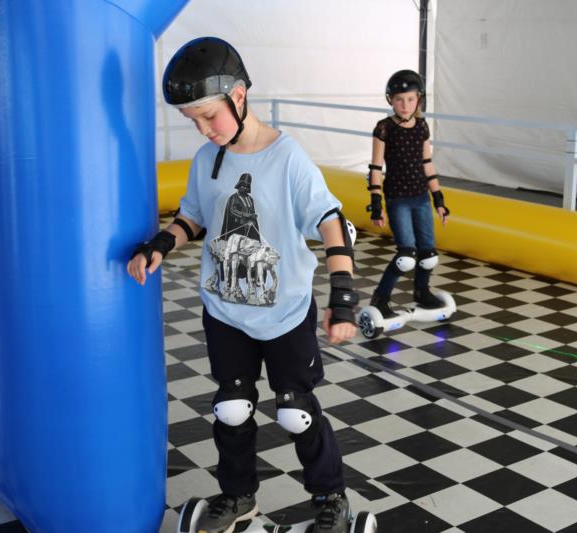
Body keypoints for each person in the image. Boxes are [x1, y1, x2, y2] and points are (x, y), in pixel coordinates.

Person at [127, 37, 358, 533]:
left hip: (285, 311)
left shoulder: (288, 158)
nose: (203, 129)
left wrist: (342, 297)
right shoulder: (206, 161)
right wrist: (159, 246)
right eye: (192, 121)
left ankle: (332, 498)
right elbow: (192, 217)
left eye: (208, 116)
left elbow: (330, 219)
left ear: (238, 95)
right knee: (231, 407)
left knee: (295, 412)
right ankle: (238, 497)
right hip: (225, 310)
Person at [367, 69, 450, 317]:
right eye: (399, 99)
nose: (405, 105)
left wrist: (438, 199)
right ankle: (380, 299)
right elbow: (375, 167)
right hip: (398, 200)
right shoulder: (384, 128)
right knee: (406, 257)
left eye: (411, 99)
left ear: (419, 100)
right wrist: (376, 203)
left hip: (421, 198)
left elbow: (428, 163)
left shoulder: (422, 126)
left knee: (428, 255)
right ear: (390, 100)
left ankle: (421, 292)